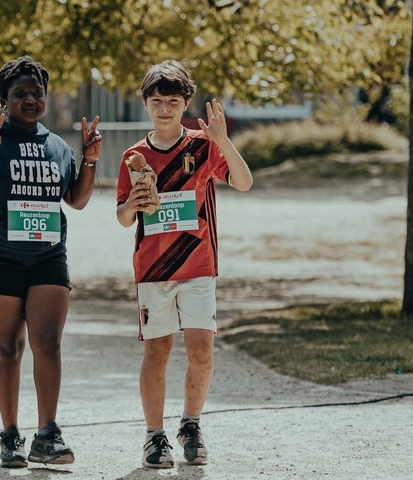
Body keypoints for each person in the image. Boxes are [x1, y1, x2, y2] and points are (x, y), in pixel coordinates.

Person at [0, 55, 101, 469]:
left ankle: (48, 434)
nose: (31, 99)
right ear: (4, 100)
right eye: (20, 94)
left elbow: (77, 200)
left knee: (48, 343)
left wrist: (88, 158)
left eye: (37, 93)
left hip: (49, 256)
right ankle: (10, 436)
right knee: (7, 348)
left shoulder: (56, 146)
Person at [115, 60, 252, 469]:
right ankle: (154, 436)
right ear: (145, 103)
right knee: (157, 351)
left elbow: (244, 182)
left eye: (172, 101)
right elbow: (122, 218)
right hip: (154, 270)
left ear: (185, 103)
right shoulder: (134, 156)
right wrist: (132, 205)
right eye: (156, 101)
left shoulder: (203, 146)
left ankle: (190, 425)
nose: (164, 109)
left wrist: (223, 140)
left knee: (202, 352)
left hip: (198, 267)